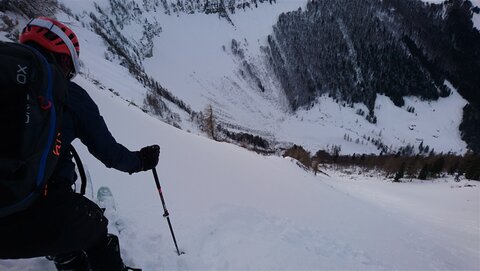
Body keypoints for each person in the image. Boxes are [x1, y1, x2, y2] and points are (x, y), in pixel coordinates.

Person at [0, 17, 159, 270]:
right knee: (96, 230)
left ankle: (67, 256)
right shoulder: (68, 94)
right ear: (63, 59)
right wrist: (141, 161)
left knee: (66, 232)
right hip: (30, 216)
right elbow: (110, 154)